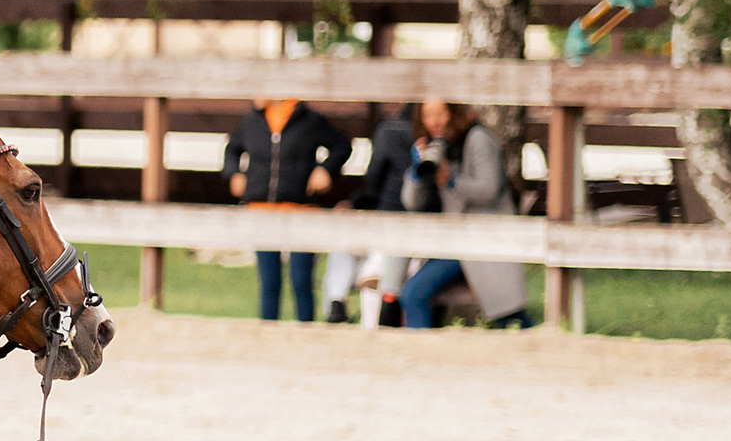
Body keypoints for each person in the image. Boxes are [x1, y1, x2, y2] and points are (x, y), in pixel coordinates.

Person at [398, 100, 530, 329]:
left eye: (440, 113)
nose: (434, 121)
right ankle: (421, 353)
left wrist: (450, 181)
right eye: (427, 115)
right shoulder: (433, 147)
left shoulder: (478, 138)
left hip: (486, 241)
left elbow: (488, 189)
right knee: (413, 294)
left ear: (454, 113)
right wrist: (418, 173)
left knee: (509, 317)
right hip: (457, 243)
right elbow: (411, 202)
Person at [221, 98, 349, 322]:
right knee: (269, 283)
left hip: (301, 210)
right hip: (261, 211)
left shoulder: (310, 120)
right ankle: (268, 333)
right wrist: (234, 173)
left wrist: (325, 170)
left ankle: (304, 330)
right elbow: (232, 149)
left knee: (301, 281)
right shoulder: (252, 120)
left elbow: (342, 146)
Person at [322, 105, 414, 326]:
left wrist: (357, 201)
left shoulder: (390, 131)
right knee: (345, 246)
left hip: (397, 227)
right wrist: (354, 203)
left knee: (372, 272)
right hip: (388, 222)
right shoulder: (399, 131)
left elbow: (373, 181)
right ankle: (337, 303)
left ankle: (339, 302)